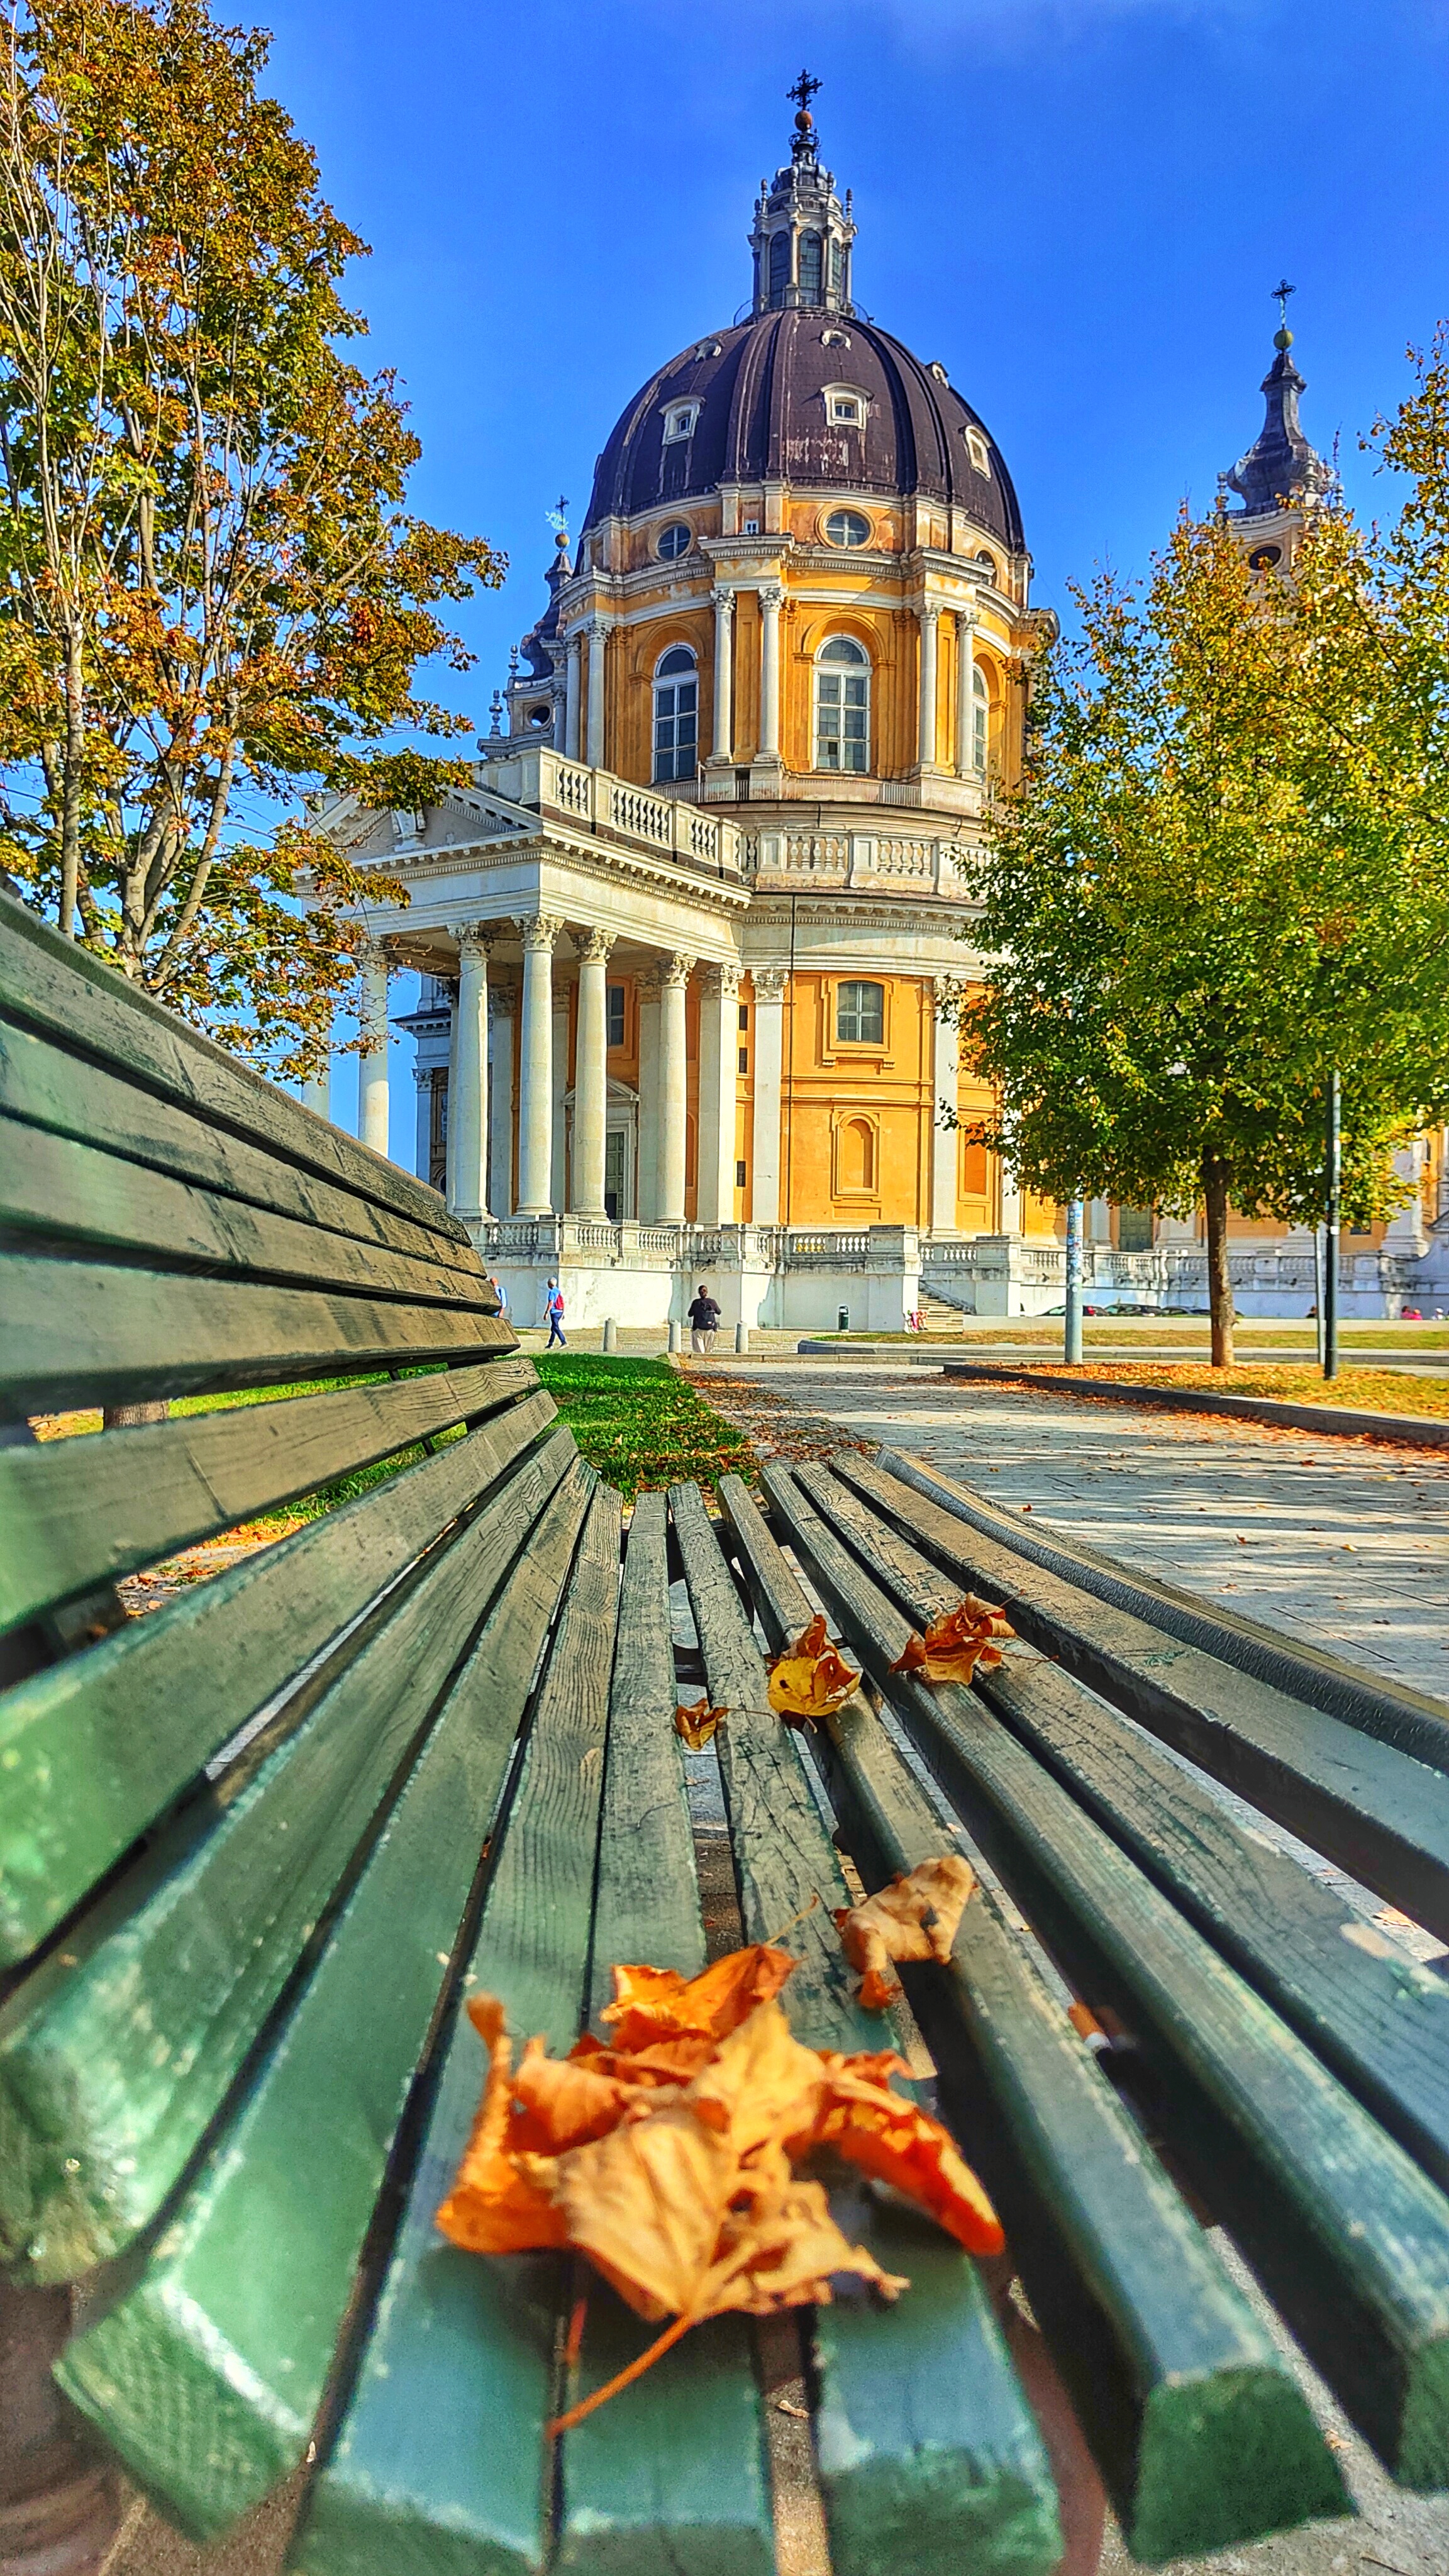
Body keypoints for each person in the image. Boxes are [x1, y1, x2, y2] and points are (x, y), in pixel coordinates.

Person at [688, 1282, 720, 1355]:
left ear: (699, 1293)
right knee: (709, 1351)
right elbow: (719, 1312)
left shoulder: (696, 1303)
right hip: (710, 1329)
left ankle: (701, 1363)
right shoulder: (712, 1302)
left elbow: (690, 1314)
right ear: (707, 1292)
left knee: (700, 1352)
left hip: (698, 1329)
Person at [543, 1278, 566, 1348]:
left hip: (554, 1312)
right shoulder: (558, 1291)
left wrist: (546, 1312)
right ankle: (551, 1344)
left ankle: (564, 1342)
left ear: (550, 1284)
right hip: (560, 1311)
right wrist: (563, 1312)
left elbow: (551, 1303)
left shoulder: (552, 1292)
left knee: (555, 1327)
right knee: (553, 1328)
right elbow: (563, 1302)